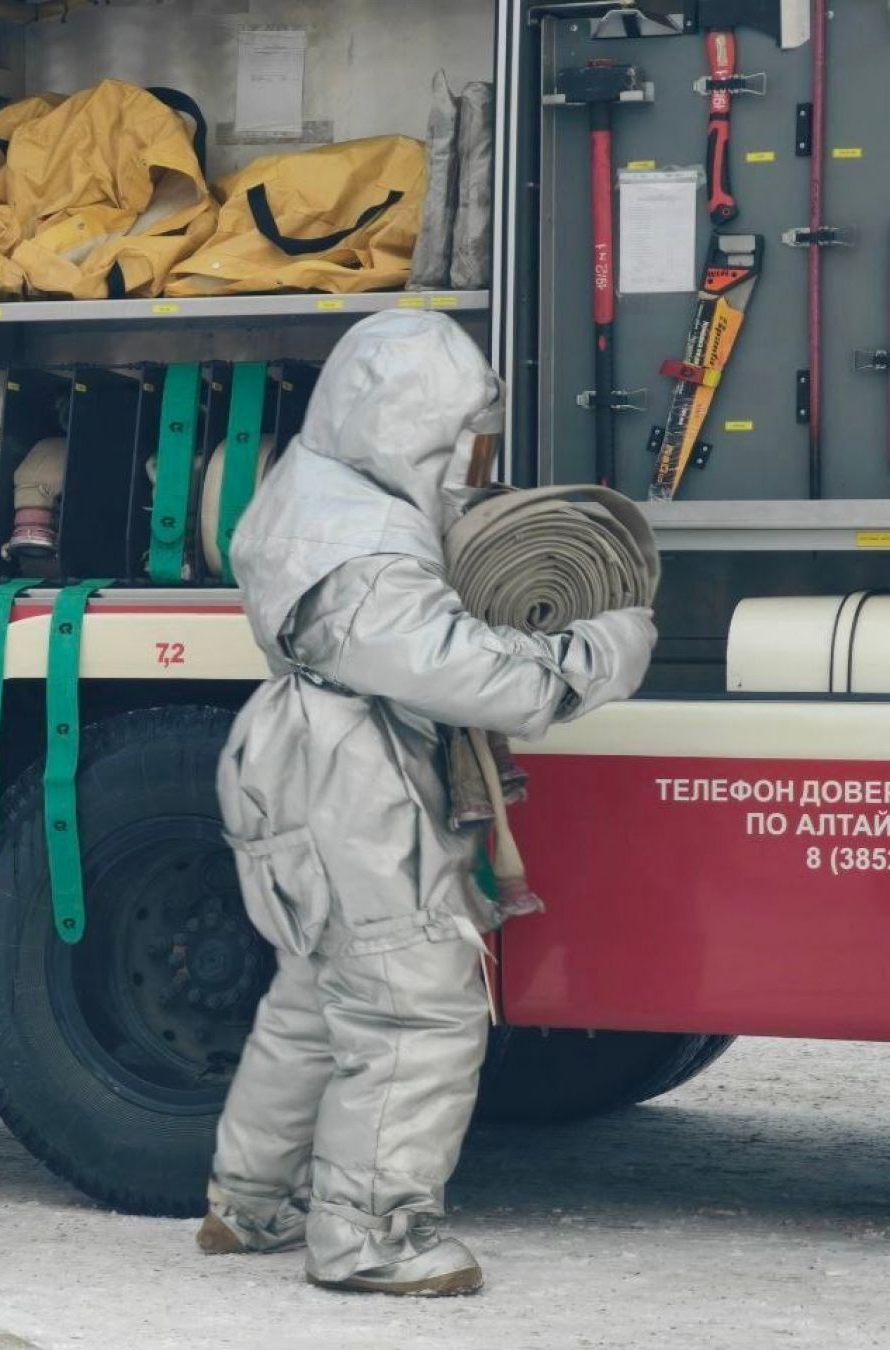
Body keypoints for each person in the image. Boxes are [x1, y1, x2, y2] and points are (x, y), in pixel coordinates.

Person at [198, 311, 656, 1295]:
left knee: (320, 998)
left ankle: (250, 1200)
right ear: (408, 424)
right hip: (351, 778)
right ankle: (371, 1237)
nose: (466, 461)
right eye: (456, 436)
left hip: (303, 757)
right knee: (416, 1009)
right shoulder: (358, 542)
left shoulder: (317, 491)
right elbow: (462, 673)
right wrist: (599, 654)